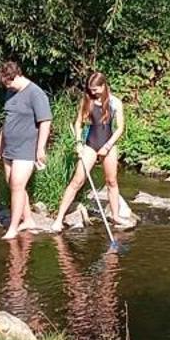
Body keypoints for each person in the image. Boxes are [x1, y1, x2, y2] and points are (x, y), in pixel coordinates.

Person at [52, 70, 132, 230]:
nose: (92, 92)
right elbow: (78, 124)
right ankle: (58, 219)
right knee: (77, 181)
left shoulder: (115, 103)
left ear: (103, 86)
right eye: (90, 89)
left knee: (111, 181)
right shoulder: (87, 101)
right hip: (90, 144)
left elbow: (120, 128)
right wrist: (78, 142)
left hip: (109, 145)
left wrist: (107, 146)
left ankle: (116, 217)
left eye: (95, 89)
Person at [0, 58, 51, 240]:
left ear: (16, 76)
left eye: (7, 82)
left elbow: (45, 122)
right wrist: (0, 141)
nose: (6, 86)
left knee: (18, 185)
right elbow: (8, 118)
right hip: (9, 147)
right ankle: (28, 220)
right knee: (13, 184)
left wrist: (40, 148)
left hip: (27, 148)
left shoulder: (36, 93)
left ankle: (13, 227)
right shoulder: (11, 92)